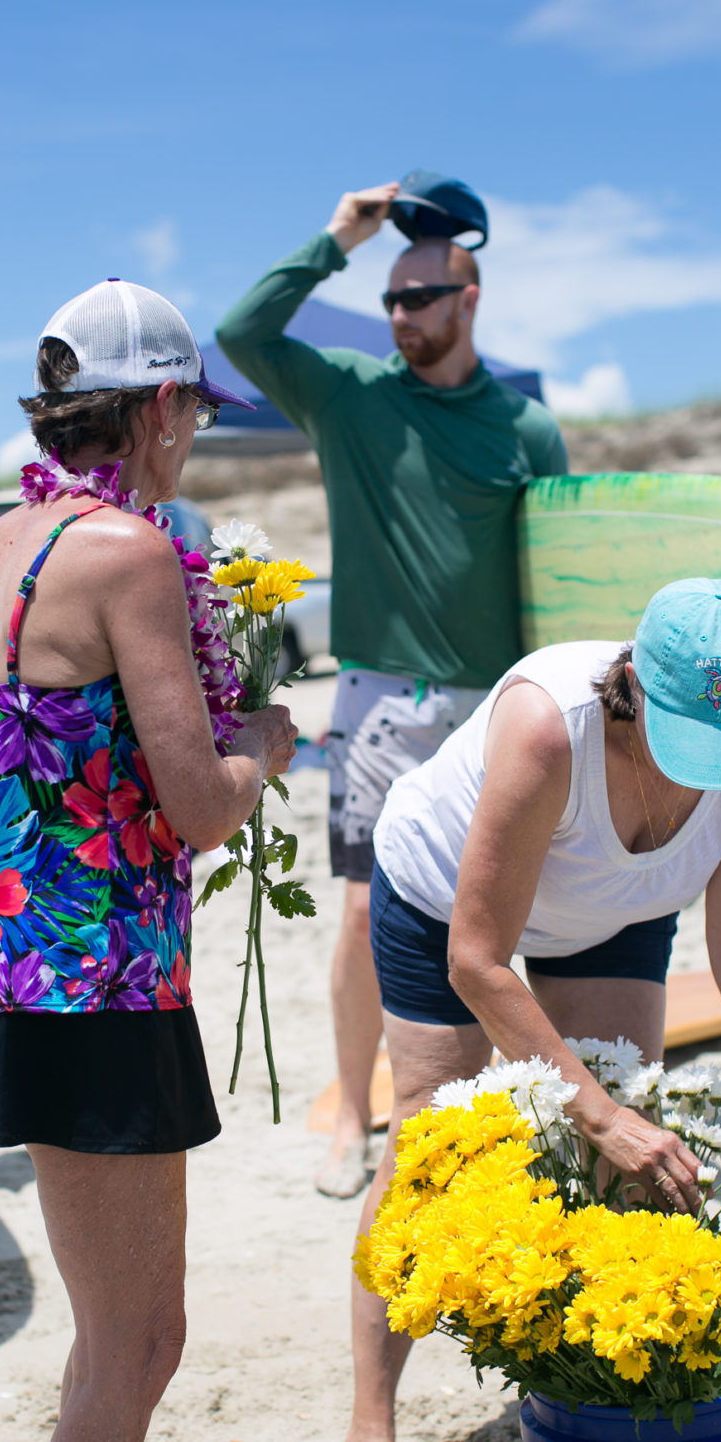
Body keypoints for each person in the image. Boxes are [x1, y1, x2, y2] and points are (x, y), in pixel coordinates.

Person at [0, 278, 296, 1442]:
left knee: (122, 1328)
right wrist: (260, 742)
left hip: (7, 966)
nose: (192, 425)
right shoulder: (131, 555)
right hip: (98, 985)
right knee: (137, 1335)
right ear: (152, 408)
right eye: (190, 401)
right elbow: (198, 806)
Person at [344, 578, 721, 1442]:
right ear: (634, 687)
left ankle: (596, 1396)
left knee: (634, 1163)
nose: (709, 773)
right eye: (688, 745)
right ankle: (370, 1435)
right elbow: (478, 959)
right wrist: (590, 1105)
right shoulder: (550, 728)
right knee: (433, 1158)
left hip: (613, 911)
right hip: (447, 902)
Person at [217, 178, 568, 1198]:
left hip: (499, 706)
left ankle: (518, 1108)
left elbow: (548, 576)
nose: (401, 314)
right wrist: (339, 236)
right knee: (368, 916)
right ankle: (354, 1116)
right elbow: (243, 331)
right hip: (380, 705)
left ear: (468, 300)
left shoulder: (525, 427)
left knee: (511, 917)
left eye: (421, 297)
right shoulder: (349, 396)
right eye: (391, 300)